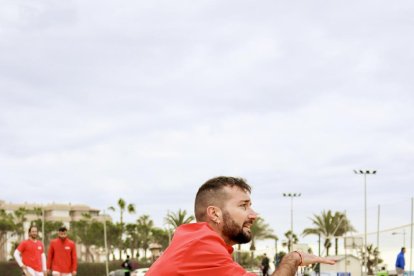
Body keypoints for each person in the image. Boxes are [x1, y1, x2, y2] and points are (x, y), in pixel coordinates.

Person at [146, 176, 335, 276]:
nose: (254, 215)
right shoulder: (201, 246)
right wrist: (294, 259)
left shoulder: (195, 242)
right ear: (214, 213)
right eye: (244, 206)